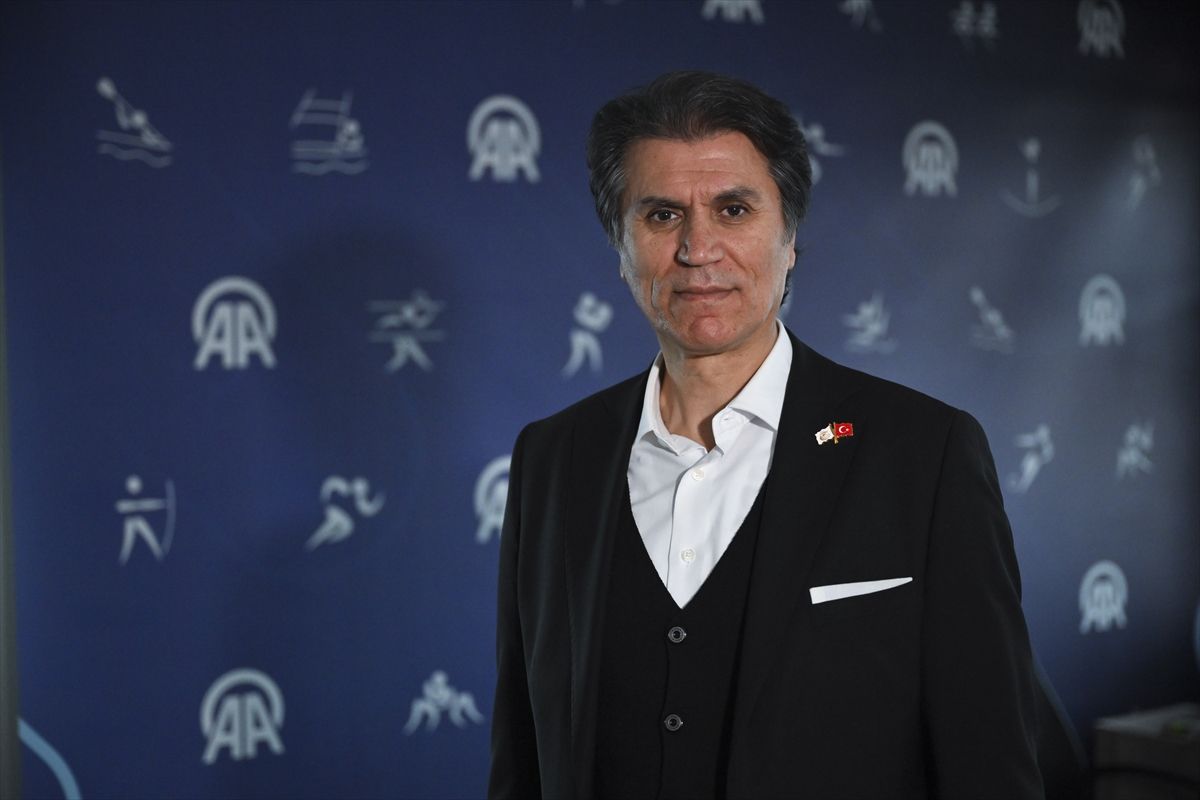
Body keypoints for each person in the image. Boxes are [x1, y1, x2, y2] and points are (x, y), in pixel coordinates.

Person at [489, 71, 1043, 800]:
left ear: (790, 240)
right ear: (621, 248)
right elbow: (523, 754)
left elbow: (990, 761)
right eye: (662, 215)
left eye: (733, 209)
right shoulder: (553, 458)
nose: (699, 249)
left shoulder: (925, 454)